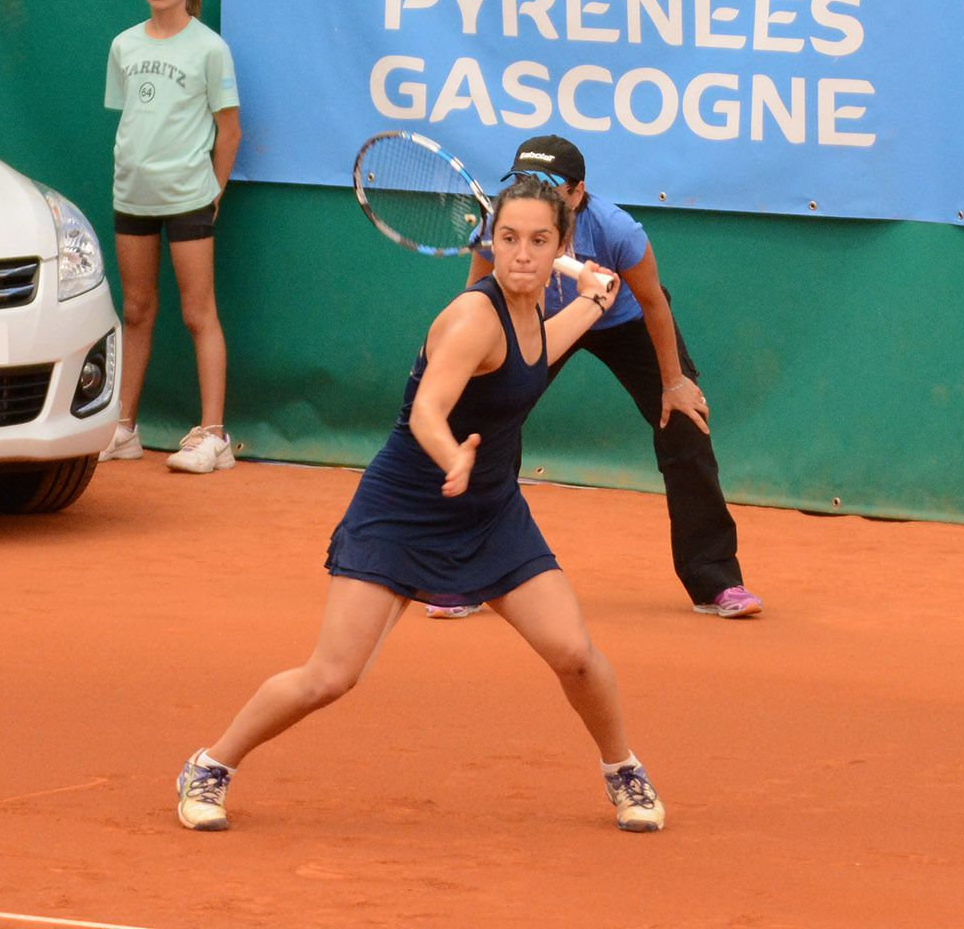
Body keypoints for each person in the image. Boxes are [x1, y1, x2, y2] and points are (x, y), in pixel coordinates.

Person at [173, 177, 666, 834]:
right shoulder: (472, 318)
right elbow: (430, 409)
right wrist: (451, 455)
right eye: (509, 238)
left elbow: (542, 348)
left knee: (575, 654)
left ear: (562, 247)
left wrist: (594, 300)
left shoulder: (532, 315)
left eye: (538, 240)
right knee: (331, 676)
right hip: (403, 508)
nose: (521, 254)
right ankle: (210, 765)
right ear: (490, 241)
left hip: (489, 512)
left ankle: (622, 768)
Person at [438, 133, 762, 620]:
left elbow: (654, 303)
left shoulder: (616, 230)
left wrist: (673, 383)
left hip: (623, 322)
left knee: (685, 425)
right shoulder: (499, 225)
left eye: (546, 184)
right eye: (522, 181)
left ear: (577, 192)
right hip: (537, 322)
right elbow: (475, 296)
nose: (531, 192)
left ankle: (715, 579)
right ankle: (470, 575)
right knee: (487, 428)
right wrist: (469, 363)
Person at [104, 0, 241, 474]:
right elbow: (135, 119)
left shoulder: (210, 48)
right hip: (132, 195)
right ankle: (123, 428)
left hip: (189, 197)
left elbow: (229, 131)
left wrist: (215, 193)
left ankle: (213, 436)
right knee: (135, 310)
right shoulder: (124, 45)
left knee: (197, 312)